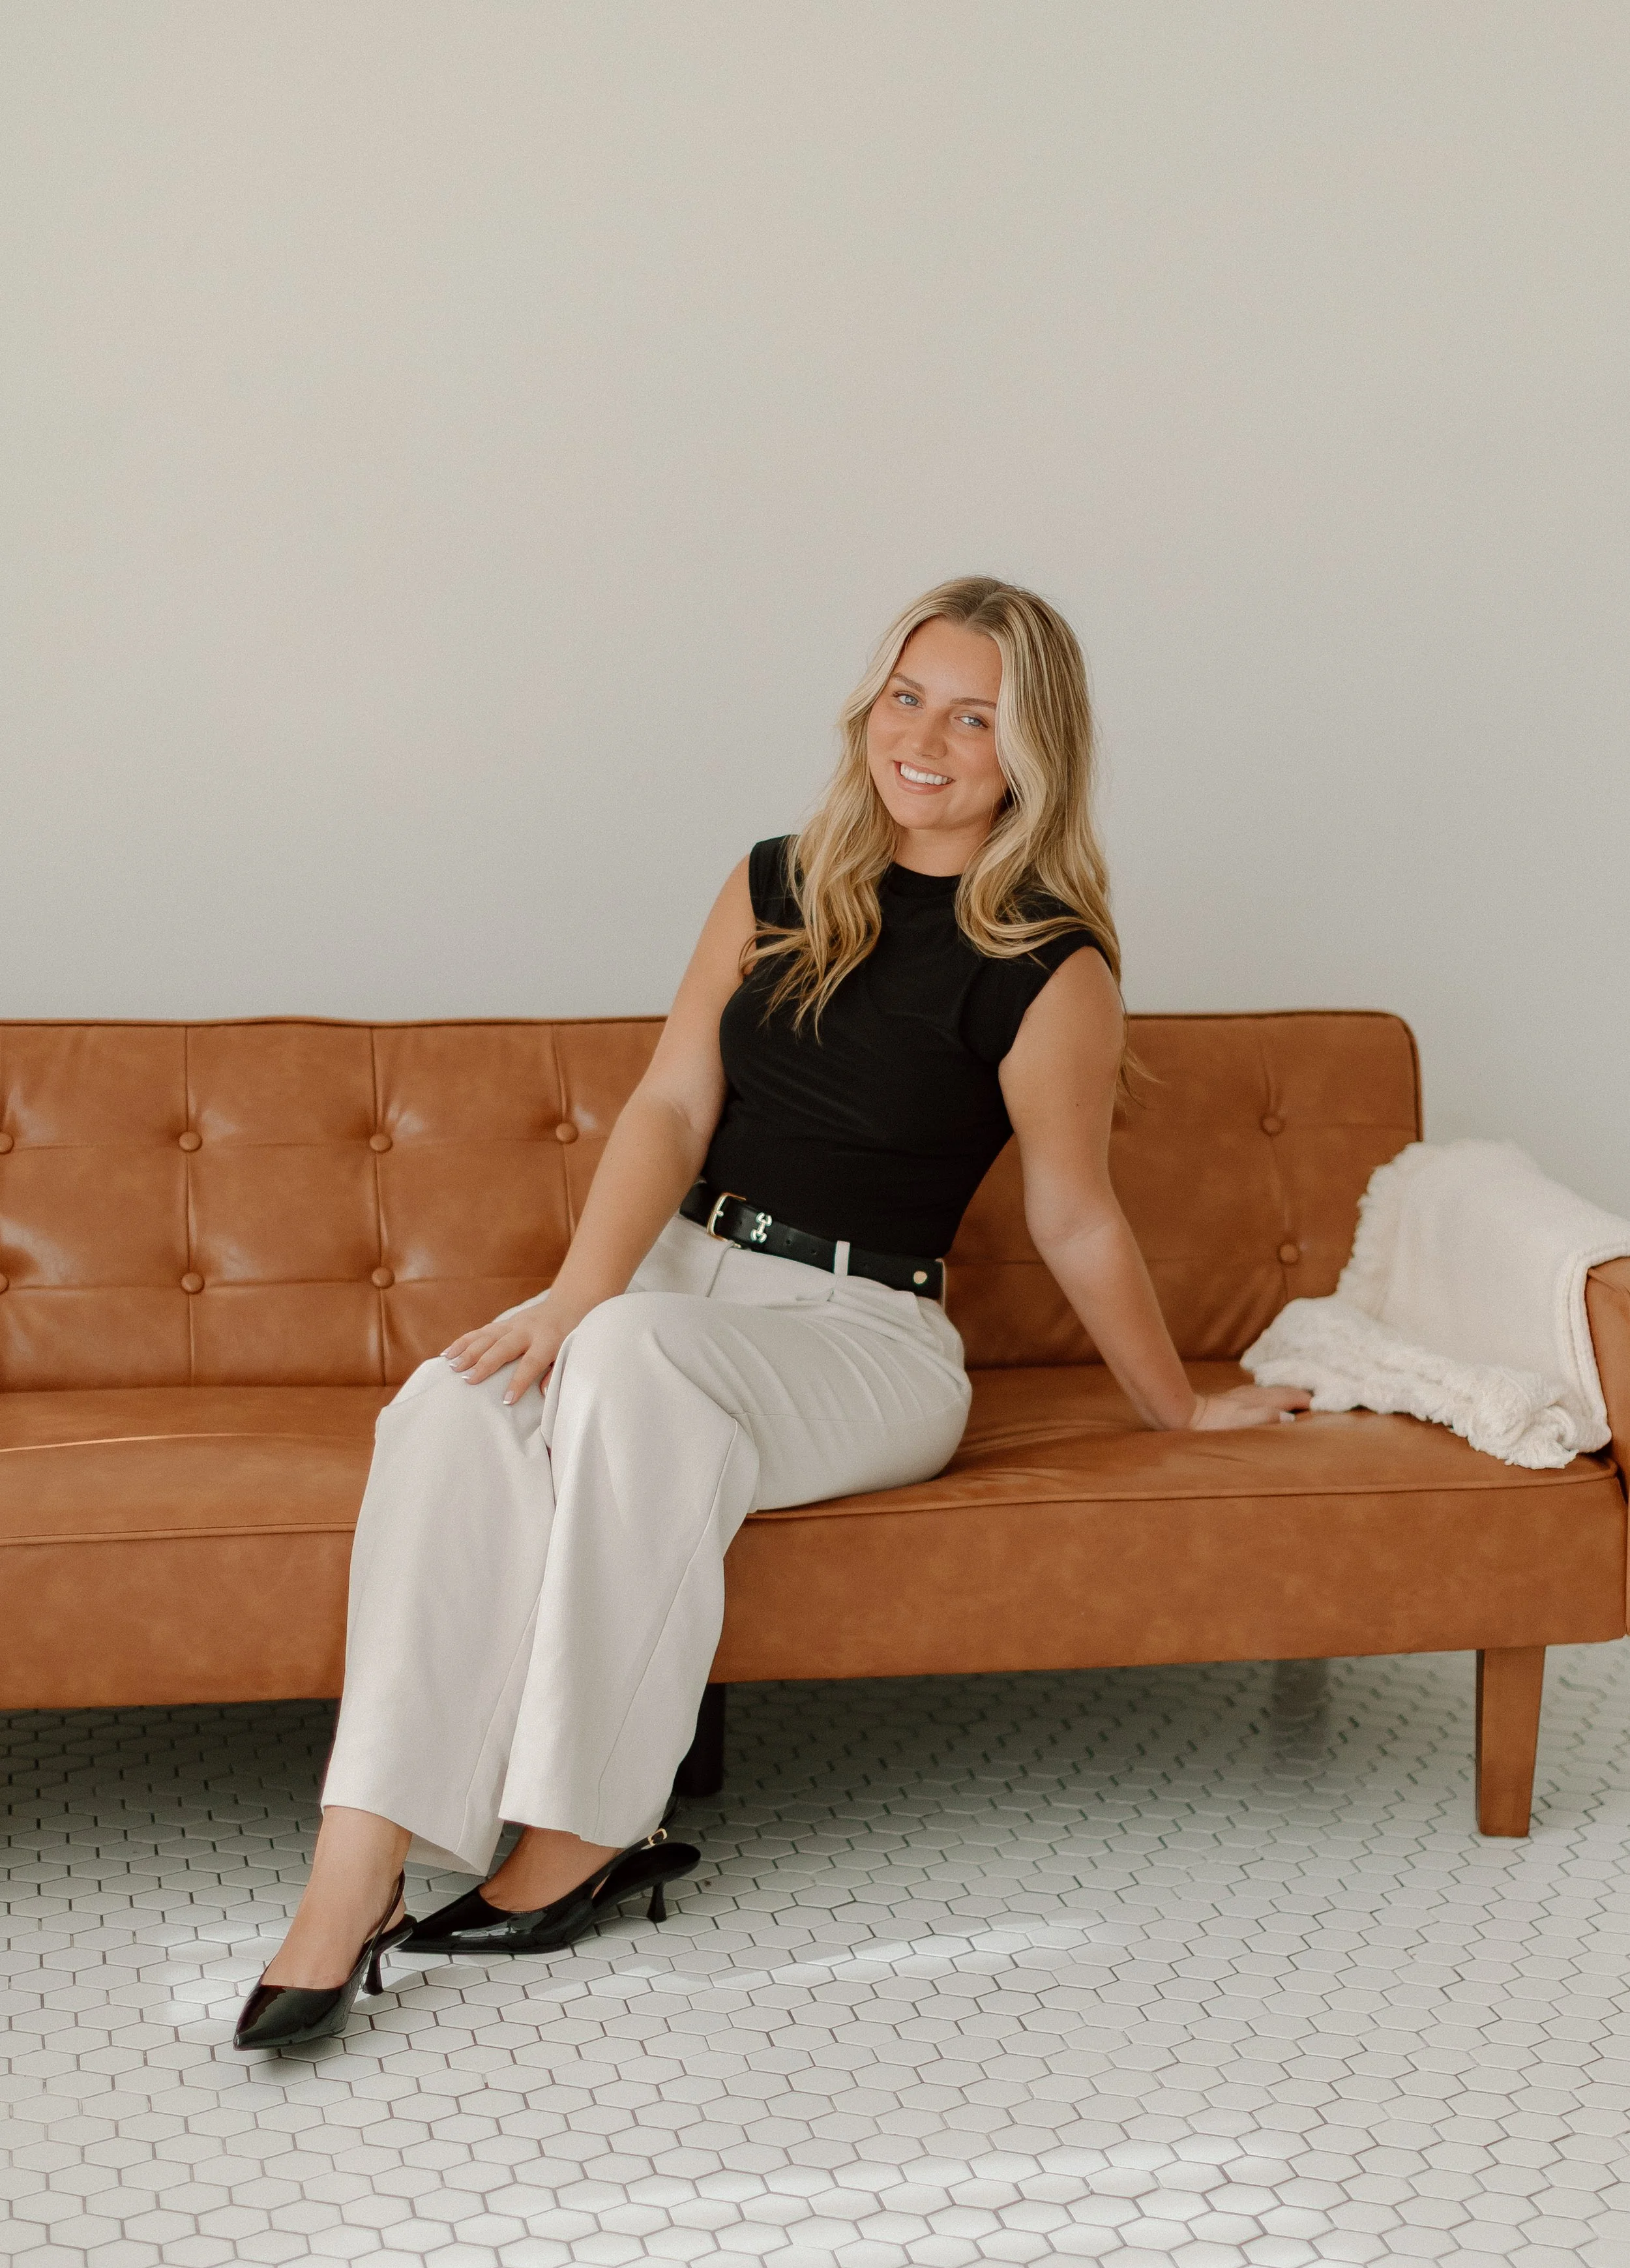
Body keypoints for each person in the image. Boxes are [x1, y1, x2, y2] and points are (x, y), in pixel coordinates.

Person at [234, 574, 1310, 2050]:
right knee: (452, 1402)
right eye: (906, 697)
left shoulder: (1047, 961)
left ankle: (584, 1828)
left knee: (625, 1358)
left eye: (975, 717)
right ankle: (350, 1874)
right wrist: (571, 1295)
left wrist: (1174, 1404)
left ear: (1032, 753)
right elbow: (674, 1104)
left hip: (861, 1341)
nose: (925, 738)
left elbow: (1070, 1209)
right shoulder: (773, 879)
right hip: (671, 1293)